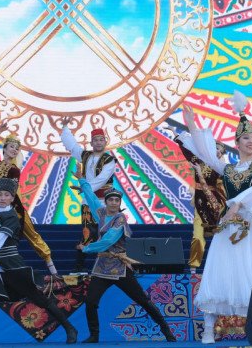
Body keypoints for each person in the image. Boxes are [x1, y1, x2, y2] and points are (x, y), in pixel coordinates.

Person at [182, 92, 252, 344]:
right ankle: (208, 329)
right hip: (229, 229)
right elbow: (206, 153)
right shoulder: (228, 168)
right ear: (237, 142)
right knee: (220, 273)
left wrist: (238, 204)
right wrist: (192, 125)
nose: (251, 141)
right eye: (246, 138)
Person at [0, 158, 78, 345]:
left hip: (13, 266)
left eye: (6, 195)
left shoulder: (12, 217)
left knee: (40, 300)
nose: (2, 197)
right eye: (0, 194)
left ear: (12, 198)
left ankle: (70, 328)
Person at [76, 178, 176, 343]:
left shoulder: (120, 219)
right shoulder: (101, 214)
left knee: (143, 300)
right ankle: (94, 335)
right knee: (91, 301)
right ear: (106, 202)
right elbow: (92, 200)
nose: (114, 203)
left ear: (119, 203)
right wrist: (83, 182)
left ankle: (166, 330)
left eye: (117, 200)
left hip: (119, 267)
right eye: (111, 200)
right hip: (102, 267)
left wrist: (86, 248)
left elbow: (108, 240)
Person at [0, 124, 57, 275]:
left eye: (17, 149)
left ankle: (53, 269)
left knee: (32, 236)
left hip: (14, 207)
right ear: (4, 148)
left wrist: (5, 207)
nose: (14, 150)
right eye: (12, 147)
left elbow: (11, 190)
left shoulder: (14, 170)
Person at [167, 126, 227, 274]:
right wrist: (174, 132)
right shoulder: (198, 160)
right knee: (198, 237)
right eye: (216, 148)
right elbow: (186, 149)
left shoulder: (222, 168)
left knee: (220, 238)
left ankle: (223, 269)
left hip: (216, 206)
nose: (218, 151)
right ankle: (193, 267)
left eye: (220, 150)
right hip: (201, 204)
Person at [60, 118, 116, 272]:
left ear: (105, 142)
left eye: (101, 139)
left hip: (105, 202)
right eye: (95, 140)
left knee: (107, 233)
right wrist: (65, 127)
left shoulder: (109, 160)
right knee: (87, 232)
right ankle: (80, 267)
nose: (98, 142)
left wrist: (84, 186)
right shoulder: (86, 156)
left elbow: (102, 179)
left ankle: (110, 266)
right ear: (91, 143)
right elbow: (72, 146)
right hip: (88, 202)